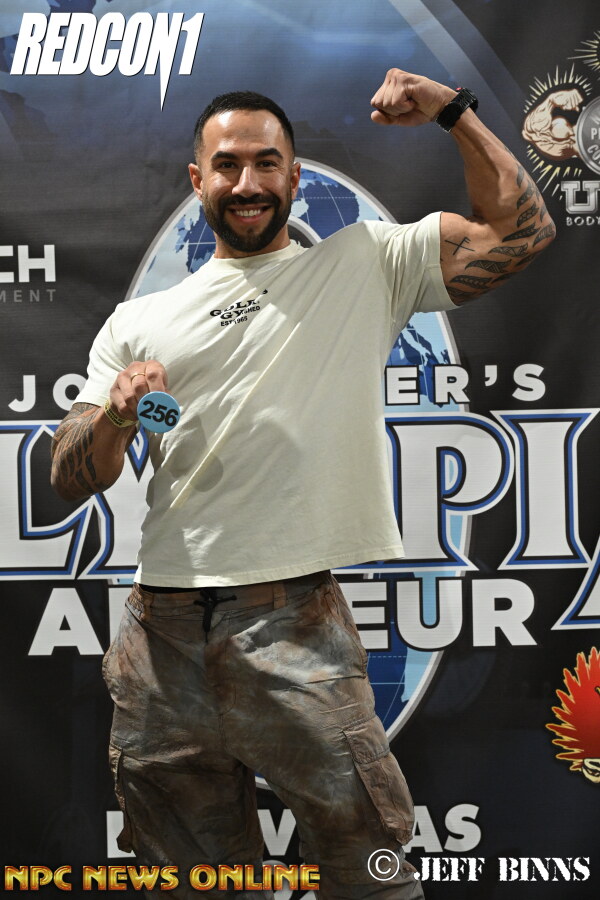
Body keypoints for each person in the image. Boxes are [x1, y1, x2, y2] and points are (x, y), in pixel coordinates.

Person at [51, 69, 554, 899]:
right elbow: (73, 473)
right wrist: (114, 413)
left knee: (373, 876)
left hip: (294, 621)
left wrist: (452, 111)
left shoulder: (367, 262)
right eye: (227, 165)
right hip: (159, 640)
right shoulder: (139, 322)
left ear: (294, 174)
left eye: (265, 162)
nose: (246, 182)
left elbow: (522, 231)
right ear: (197, 179)